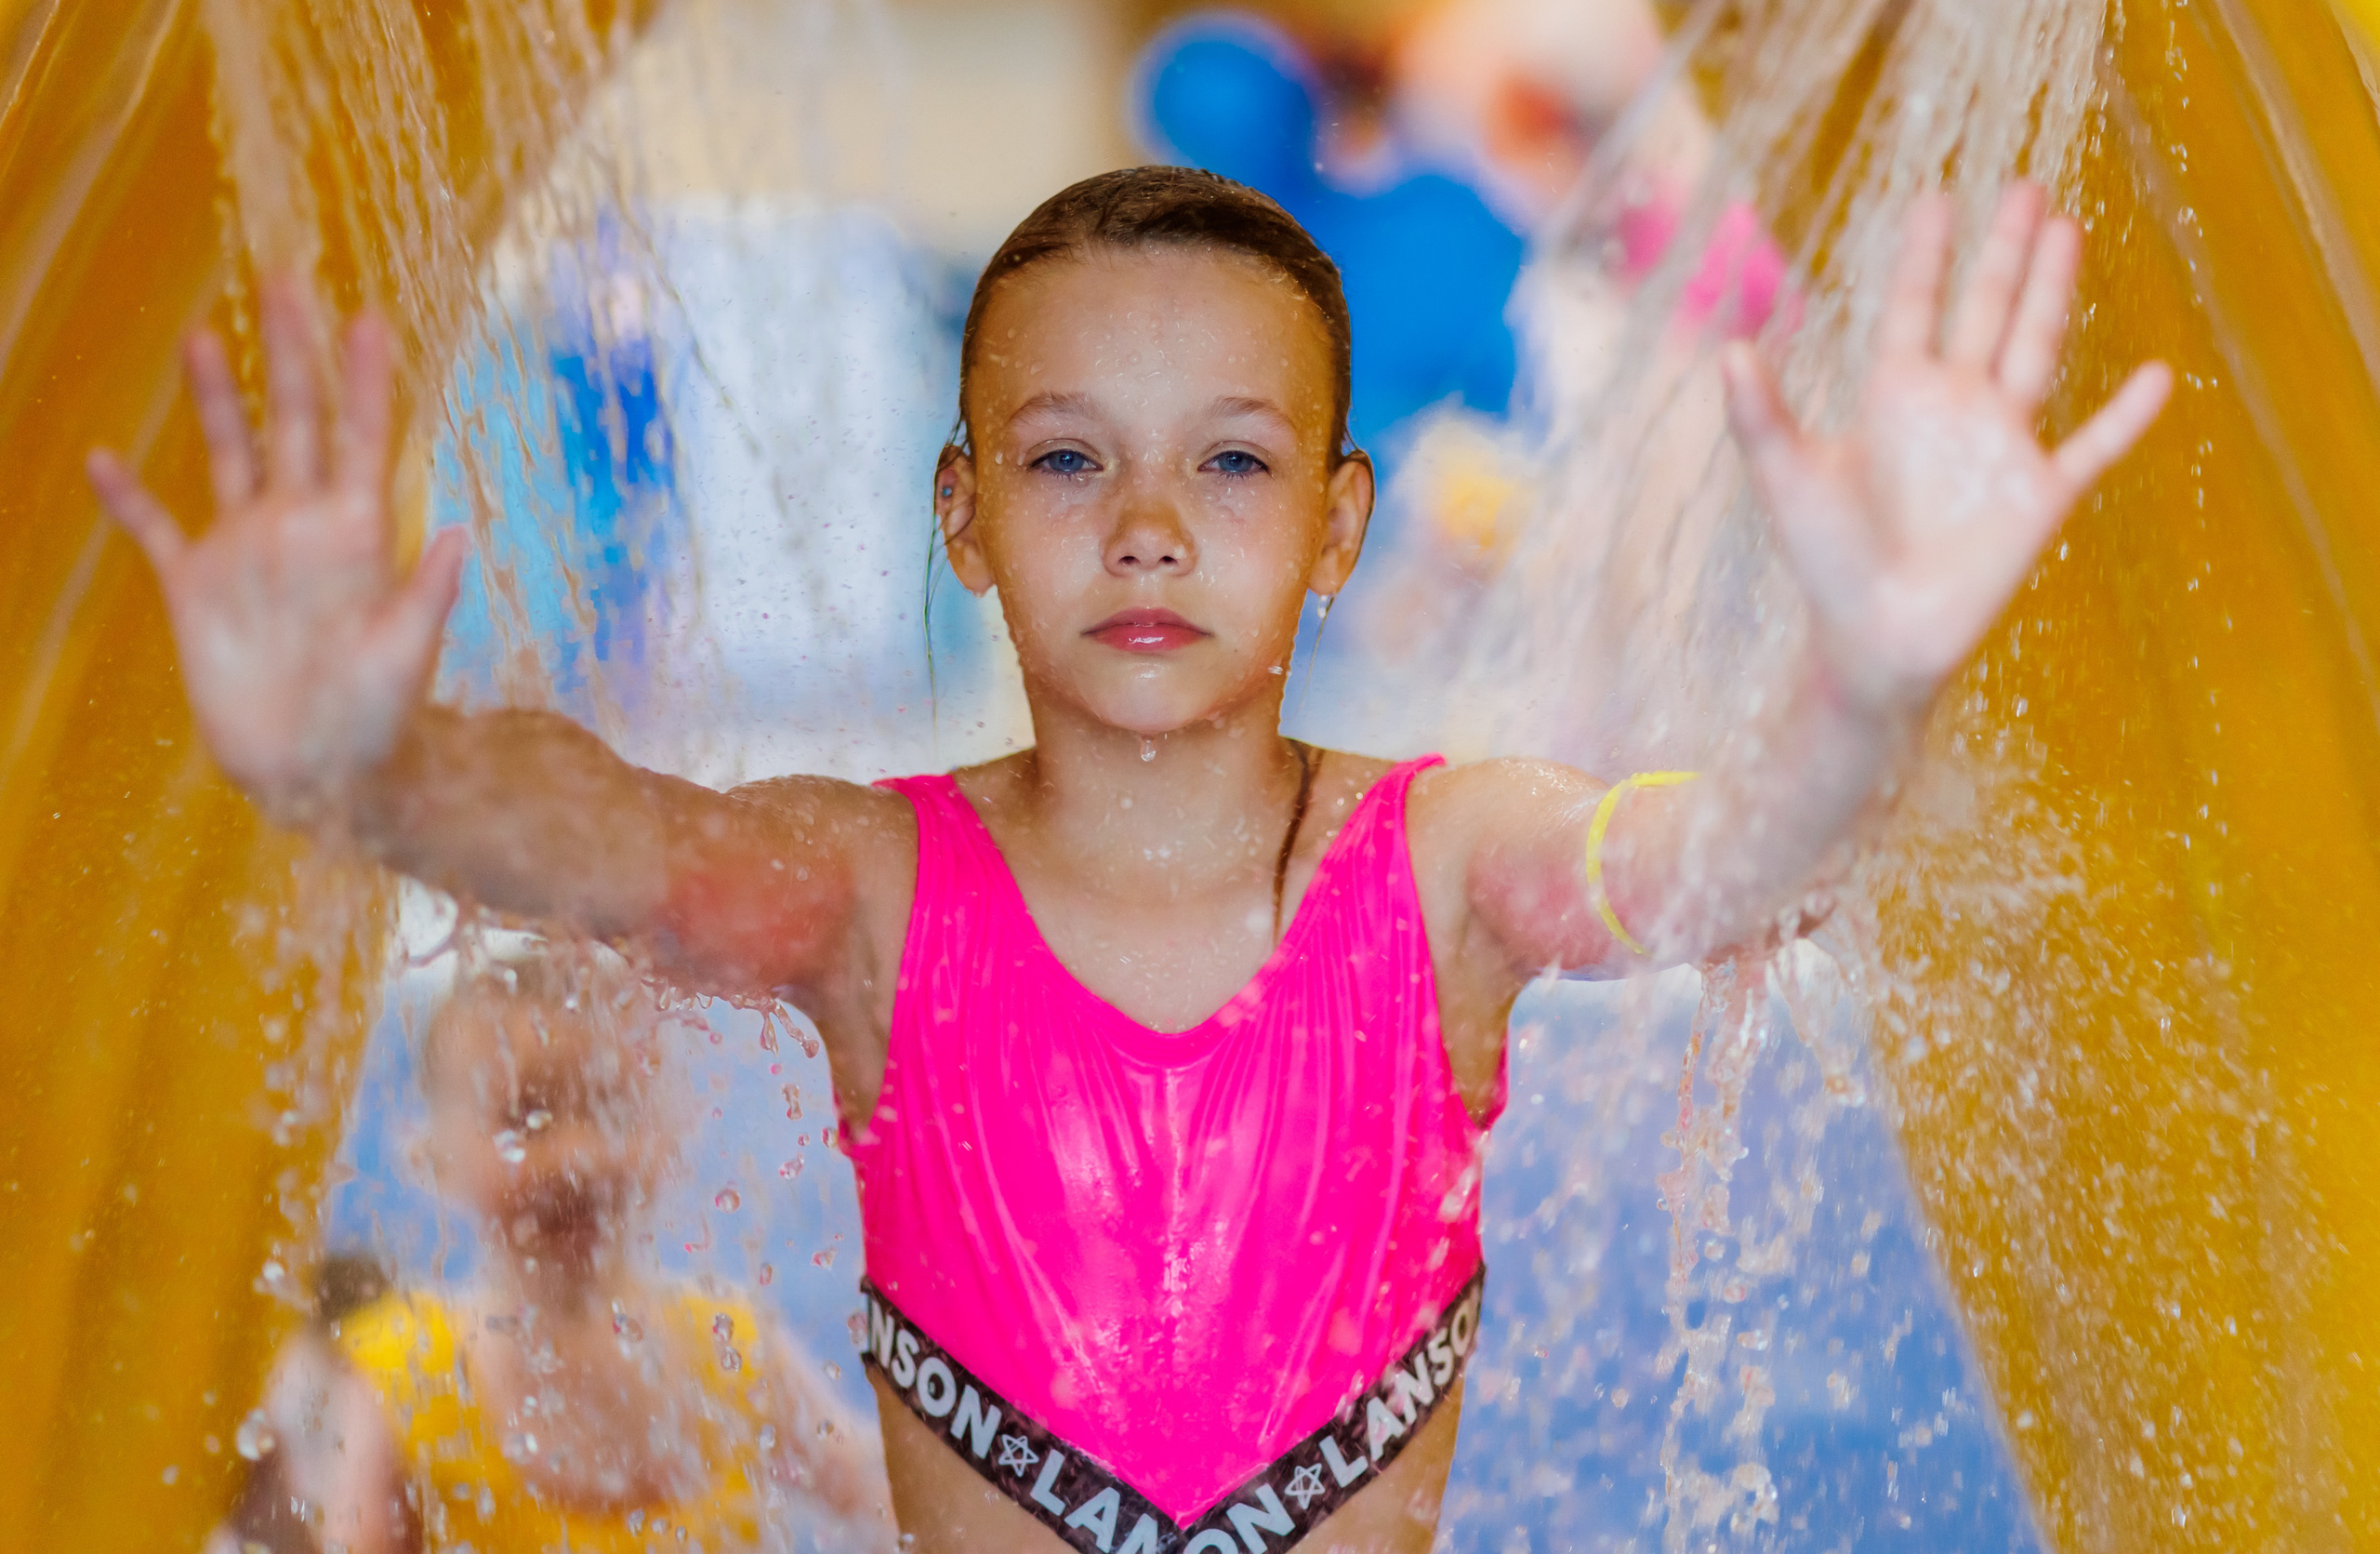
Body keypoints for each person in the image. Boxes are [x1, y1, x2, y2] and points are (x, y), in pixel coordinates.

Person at [91, 165, 2168, 1553]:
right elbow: (611, 837)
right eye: (1068, 456)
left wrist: (1862, 690)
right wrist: (361, 759)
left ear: (1342, 521)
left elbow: (1717, 856)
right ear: (963, 512)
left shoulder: (1444, 860)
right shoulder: (871, 895)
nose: (1149, 522)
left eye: (1233, 459)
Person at [216, 955, 890, 1553]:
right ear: (433, 1156)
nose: (579, 1156)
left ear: (666, 1131)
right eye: (526, 1114)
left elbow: (891, 1503)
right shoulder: (411, 1375)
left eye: (609, 1107)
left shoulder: (736, 1351)